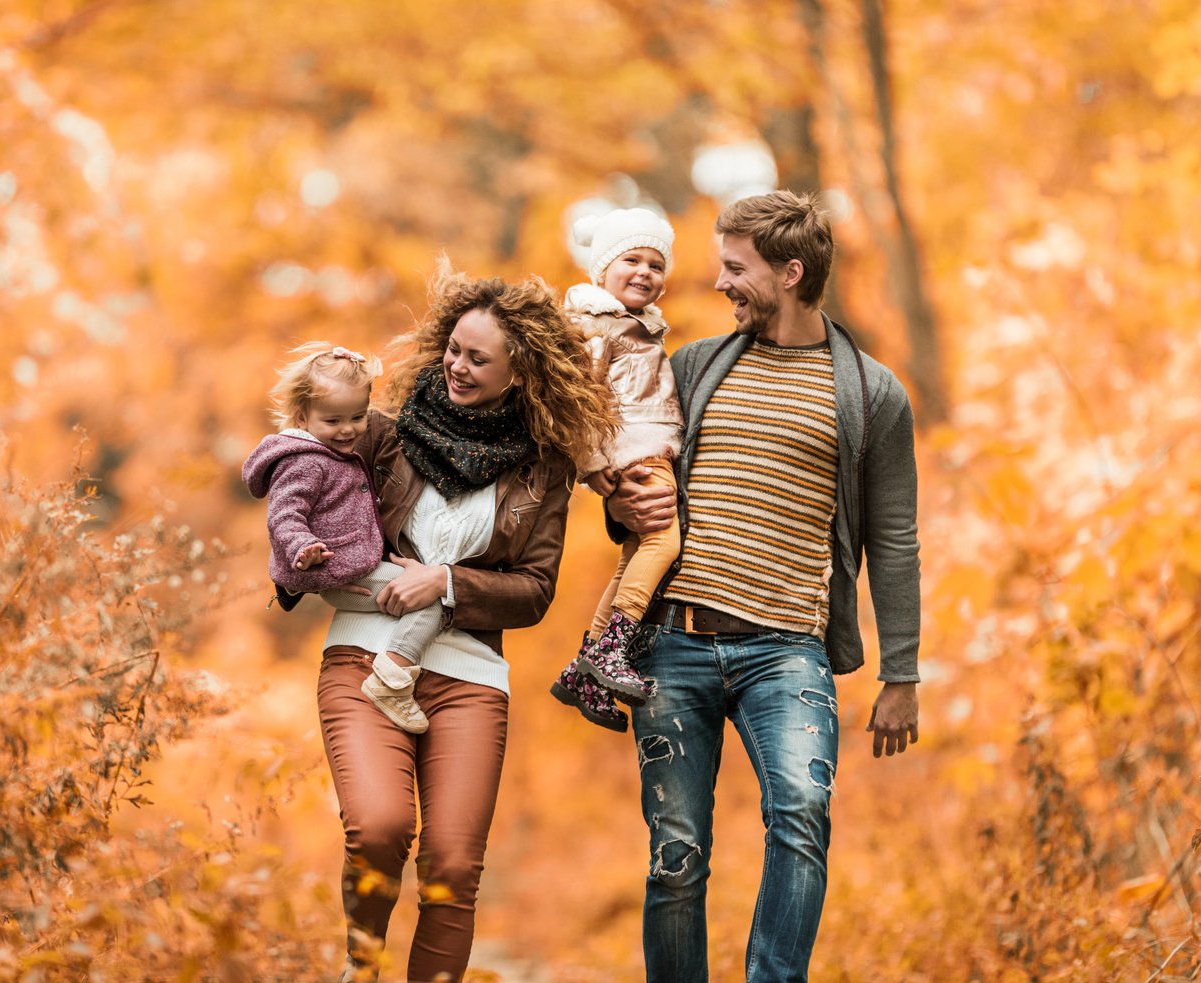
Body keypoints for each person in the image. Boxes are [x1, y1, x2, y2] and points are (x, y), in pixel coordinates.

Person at [606, 190, 922, 983]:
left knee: (802, 816)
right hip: (674, 642)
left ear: (791, 271)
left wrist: (902, 670)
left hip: (787, 651)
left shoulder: (871, 393)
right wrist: (621, 502)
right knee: (676, 854)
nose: (719, 282)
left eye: (735, 268)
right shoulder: (693, 366)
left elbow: (893, 538)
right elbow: (637, 496)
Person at [306, 264, 617, 982]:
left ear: (519, 373)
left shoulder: (544, 468)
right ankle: (361, 967)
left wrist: (445, 581)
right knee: (380, 828)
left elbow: (535, 590)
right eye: (454, 347)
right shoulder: (382, 436)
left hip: (470, 676)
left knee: (451, 865)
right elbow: (302, 469)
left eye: (479, 358)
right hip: (365, 657)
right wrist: (298, 552)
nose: (457, 364)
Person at [242, 342, 438, 734]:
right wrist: (303, 548)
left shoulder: (330, 453)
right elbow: (284, 515)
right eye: (333, 421)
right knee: (431, 599)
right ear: (302, 416)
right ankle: (391, 681)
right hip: (336, 572)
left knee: (420, 593)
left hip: (353, 566)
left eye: (357, 417)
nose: (348, 430)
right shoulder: (304, 461)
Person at [547, 208, 683, 731]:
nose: (645, 272)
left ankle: (586, 668)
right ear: (602, 270)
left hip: (644, 446)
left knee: (634, 555)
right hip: (635, 448)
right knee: (663, 545)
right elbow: (573, 397)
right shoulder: (596, 324)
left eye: (656, 265)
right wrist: (590, 460)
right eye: (632, 260)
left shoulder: (638, 326)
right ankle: (612, 648)